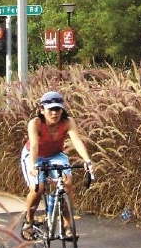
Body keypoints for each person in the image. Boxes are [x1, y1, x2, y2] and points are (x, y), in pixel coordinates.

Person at [21, 91, 94, 240]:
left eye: (58, 109)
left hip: (55, 155)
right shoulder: (35, 123)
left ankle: (67, 225)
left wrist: (87, 160)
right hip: (34, 155)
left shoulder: (68, 122)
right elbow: (34, 146)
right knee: (38, 188)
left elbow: (77, 141)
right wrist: (33, 165)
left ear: (62, 109)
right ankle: (28, 221)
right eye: (50, 109)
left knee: (67, 183)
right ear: (42, 110)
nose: (54, 113)